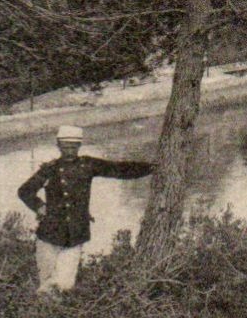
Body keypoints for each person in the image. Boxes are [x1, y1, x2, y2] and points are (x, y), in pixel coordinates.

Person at [17, 125, 154, 293]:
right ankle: (42, 315)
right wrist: (39, 206)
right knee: (46, 285)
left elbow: (119, 169)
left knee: (65, 285)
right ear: (58, 146)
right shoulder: (49, 169)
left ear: (79, 146)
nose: (70, 150)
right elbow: (25, 191)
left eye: (74, 146)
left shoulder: (88, 165)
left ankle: (55, 312)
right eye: (65, 145)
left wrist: (150, 168)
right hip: (49, 234)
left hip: (76, 233)